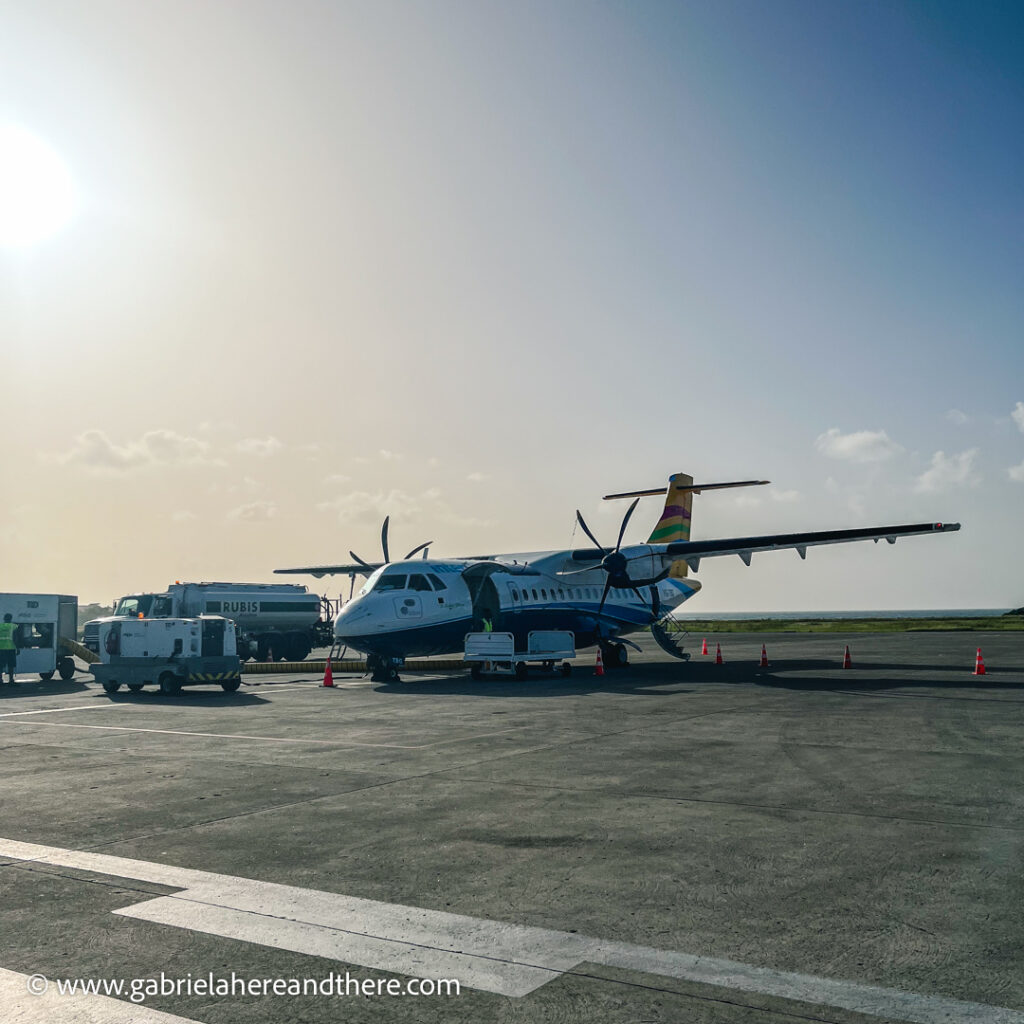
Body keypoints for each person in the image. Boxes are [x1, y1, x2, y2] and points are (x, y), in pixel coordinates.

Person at [0, 613, 18, 686]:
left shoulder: (0, 626)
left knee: (1, 665)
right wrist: (18, 647)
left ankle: (0, 680)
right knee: (11, 665)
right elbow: (16, 638)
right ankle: (11, 680)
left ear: (4, 618)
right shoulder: (14, 626)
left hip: (1, 648)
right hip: (11, 648)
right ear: (11, 619)